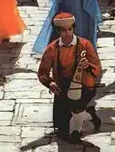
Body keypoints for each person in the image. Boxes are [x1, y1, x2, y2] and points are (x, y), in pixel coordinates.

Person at [37, 12, 102, 143]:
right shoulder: (51, 48)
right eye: (64, 31)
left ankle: (76, 132)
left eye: (70, 30)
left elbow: (98, 68)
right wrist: (50, 84)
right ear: (58, 32)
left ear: (73, 28)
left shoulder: (85, 45)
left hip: (84, 86)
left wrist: (87, 65)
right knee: (61, 130)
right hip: (63, 88)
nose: (67, 34)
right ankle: (89, 115)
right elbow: (42, 73)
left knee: (76, 111)